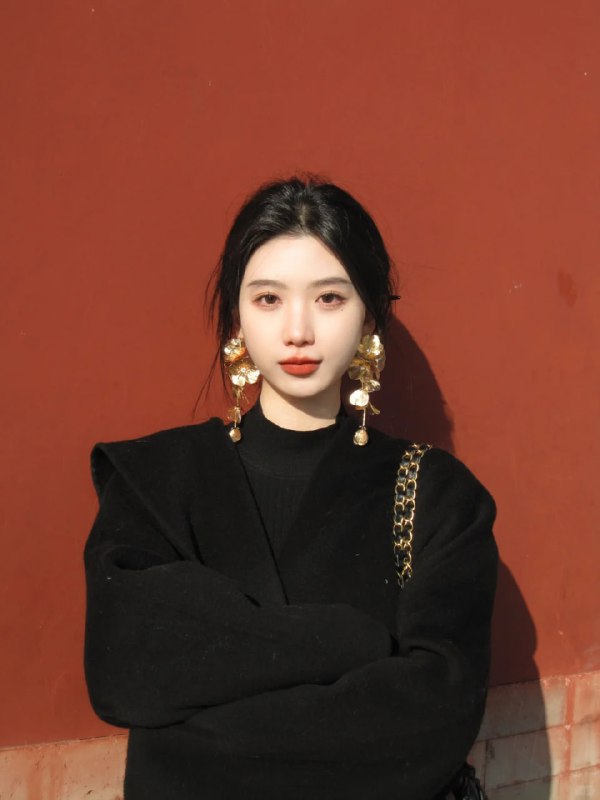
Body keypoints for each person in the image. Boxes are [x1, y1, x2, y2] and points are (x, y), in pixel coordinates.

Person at [83, 176, 498, 800]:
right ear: (237, 314)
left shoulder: (435, 495)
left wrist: (206, 728)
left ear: (368, 315)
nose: (297, 330)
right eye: (268, 298)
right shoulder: (156, 483)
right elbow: (127, 672)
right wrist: (353, 642)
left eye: (329, 297)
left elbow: (435, 712)